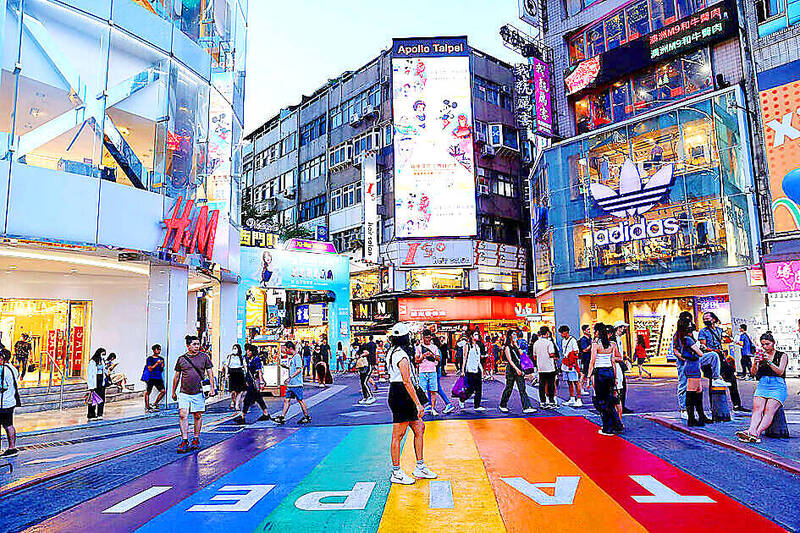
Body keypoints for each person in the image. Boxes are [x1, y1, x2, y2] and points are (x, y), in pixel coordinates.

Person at [386, 323, 437, 485]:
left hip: (400, 392)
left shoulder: (393, 352)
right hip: (401, 394)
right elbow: (407, 381)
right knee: (398, 435)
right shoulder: (400, 355)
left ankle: (420, 466)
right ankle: (396, 472)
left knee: (419, 428)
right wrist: (418, 404)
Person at [737, 332, 788, 443]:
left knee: (768, 410)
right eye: (763, 344)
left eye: (767, 344)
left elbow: (780, 371)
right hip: (763, 383)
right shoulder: (760, 354)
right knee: (757, 409)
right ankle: (751, 431)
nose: (765, 347)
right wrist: (755, 362)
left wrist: (768, 361)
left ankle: (757, 432)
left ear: (773, 343)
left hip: (777, 385)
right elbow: (753, 373)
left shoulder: (782, 355)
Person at [172, 335, 216, 453]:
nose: (197, 346)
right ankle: (184, 440)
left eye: (198, 344)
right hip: (184, 392)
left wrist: (212, 387)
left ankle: (196, 438)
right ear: (188, 346)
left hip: (199, 392)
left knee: (197, 415)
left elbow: (210, 373)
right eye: (194, 344)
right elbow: (177, 376)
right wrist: (173, 391)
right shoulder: (181, 359)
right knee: (183, 414)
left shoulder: (204, 357)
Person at [699, 312, 746, 412]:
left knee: (732, 379)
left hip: (721, 357)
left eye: (708, 318)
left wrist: (728, 339)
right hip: (711, 357)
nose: (705, 320)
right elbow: (703, 346)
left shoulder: (720, 330)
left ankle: (737, 405)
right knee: (713, 382)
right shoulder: (703, 332)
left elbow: (727, 340)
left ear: (714, 319)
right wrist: (712, 351)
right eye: (704, 319)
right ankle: (714, 408)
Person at [588, 323, 624, 436]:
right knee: (610, 400)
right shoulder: (612, 344)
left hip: (600, 372)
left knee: (602, 401)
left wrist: (588, 376)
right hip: (609, 372)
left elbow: (592, 361)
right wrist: (615, 377)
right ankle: (616, 424)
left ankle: (607, 428)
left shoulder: (596, 345)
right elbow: (613, 362)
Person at [675, 316, 710, 427]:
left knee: (698, 390)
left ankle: (699, 416)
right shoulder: (688, 339)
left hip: (692, 365)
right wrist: (700, 349)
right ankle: (692, 418)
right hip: (692, 366)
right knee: (691, 391)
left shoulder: (681, 337)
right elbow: (699, 353)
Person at [415, 329, 454, 416]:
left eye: (429, 338)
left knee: (433, 390)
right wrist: (423, 356)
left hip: (433, 371)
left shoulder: (434, 347)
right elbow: (416, 360)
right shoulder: (418, 348)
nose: (428, 340)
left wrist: (432, 355)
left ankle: (432, 408)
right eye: (426, 338)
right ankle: (421, 408)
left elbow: (439, 359)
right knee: (422, 391)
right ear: (423, 338)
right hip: (422, 372)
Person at [234, 343, 272, 425]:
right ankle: (265, 413)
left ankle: (243, 416)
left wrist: (261, 382)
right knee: (258, 398)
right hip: (250, 381)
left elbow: (259, 371)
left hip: (255, 382)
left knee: (247, 400)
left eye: (249, 351)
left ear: (252, 351)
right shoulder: (248, 359)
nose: (247, 352)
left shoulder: (256, 359)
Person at [274, 341, 311, 425]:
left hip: (296, 384)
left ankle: (307, 416)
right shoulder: (293, 358)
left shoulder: (297, 357)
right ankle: (282, 417)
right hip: (291, 384)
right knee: (286, 400)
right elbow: (294, 369)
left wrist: (290, 377)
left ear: (290, 348)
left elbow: (299, 369)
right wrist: (286, 367)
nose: (286, 351)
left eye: (286, 349)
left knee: (300, 400)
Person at [499, 330, 536, 414]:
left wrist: (516, 344)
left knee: (522, 388)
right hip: (512, 369)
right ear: (509, 336)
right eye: (513, 334)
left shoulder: (515, 346)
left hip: (519, 367)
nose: (515, 336)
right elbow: (510, 360)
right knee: (509, 388)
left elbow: (521, 353)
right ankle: (502, 405)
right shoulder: (507, 347)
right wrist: (516, 369)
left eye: (516, 334)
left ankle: (526, 407)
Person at [459, 330, 485, 411]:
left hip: (477, 369)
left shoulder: (478, 346)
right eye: (475, 334)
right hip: (470, 370)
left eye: (478, 334)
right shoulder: (467, 345)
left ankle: (477, 405)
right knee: (471, 388)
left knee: (479, 388)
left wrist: (482, 369)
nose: (477, 336)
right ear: (471, 336)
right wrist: (462, 370)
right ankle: (462, 399)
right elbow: (464, 358)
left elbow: (478, 359)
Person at [0, 349, 20, 457]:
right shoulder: (13, 368)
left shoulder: (2, 370)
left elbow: (2, 386)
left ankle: (11, 448)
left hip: (3, 403)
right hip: (10, 401)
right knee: (9, 425)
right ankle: (12, 447)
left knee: (7, 425)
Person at [533, 326, 558, 408]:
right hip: (549, 367)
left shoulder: (536, 343)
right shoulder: (549, 343)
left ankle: (542, 401)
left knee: (542, 385)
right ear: (547, 333)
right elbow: (551, 354)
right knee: (551, 384)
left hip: (540, 367)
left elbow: (534, 356)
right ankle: (551, 401)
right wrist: (554, 356)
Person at [612, 321, 633, 414]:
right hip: (617, 364)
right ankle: (619, 406)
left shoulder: (619, 339)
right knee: (619, 386)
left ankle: (622, 405)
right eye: (623, 328)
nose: (624, 329)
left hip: (619, 363)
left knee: (622, 386)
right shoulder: (614, 339)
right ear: (619, 328)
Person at [558, 326, 582, 407]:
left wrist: (571, 357)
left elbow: (576, 351)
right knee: (569, 382)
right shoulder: (563, 341)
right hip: (565, 363)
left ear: (566, 332)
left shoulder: (573, 340)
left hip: (572, 364)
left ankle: (579, 399)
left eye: (562, 332)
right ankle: (572, 398)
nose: (561, 334)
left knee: (575, 381)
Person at [143, 344, 166, 412]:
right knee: (148, 392)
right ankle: (147, 407)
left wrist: (162, 365)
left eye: (160, 349)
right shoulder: (150, 359)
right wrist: (157, 363)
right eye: (157, 349)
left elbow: (161, 370)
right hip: (151, 377)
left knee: (163, 391)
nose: (159, 351)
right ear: (154, 350)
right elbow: (150, 368)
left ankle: (155, 404)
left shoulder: (161, 358)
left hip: (158, 377)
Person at [86, 348, 107, 422]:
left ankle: (100, 414)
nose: (103, 356)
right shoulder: (92, 362)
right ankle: (91, 414)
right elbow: (90, 374)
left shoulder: (102, 362)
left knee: (101, 399)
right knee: (93, 399)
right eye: (102, 354)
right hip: (95, 382)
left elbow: (104, 371)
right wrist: (91, 386)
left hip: (101, 381)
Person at [225, 344, 247, 410]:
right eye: (233, 348)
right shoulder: (230, 357)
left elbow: (244, 365)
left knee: (240, 391)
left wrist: (246, 373)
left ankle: (237, 405)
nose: (234, 350)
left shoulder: (241, 357)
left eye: (236, 348)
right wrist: (226, 374)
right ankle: (233, 400)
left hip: (239, 373)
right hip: (232, 373)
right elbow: (226, 365)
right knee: (233, 391)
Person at [578, 325, 593, 394]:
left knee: (588, 373)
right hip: (586, 358)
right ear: (584, 331)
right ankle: (580, 388)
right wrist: (591, 345)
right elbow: (584, 350)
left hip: (590, 357)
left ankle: (582, 388)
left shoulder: (590, 338)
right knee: (584, 374)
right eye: (588, 329)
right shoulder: (583, 339)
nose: (589, 331)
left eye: (589, 329)